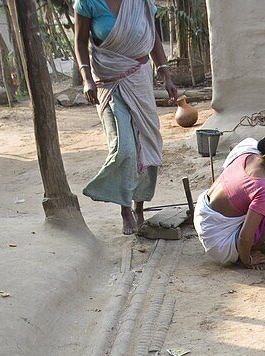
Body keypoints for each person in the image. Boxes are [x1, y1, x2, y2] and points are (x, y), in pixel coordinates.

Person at [74, 0, 177, 235]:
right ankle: (124, 208)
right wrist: (86, 78)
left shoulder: (141, 3)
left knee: (146, 145)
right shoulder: (88, 3)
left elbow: (153, 40)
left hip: (139, 80)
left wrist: (166, 74)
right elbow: (80, 42)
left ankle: (139, 206)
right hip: (109, 81)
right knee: (125, 148)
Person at [193, 126, 265, 269]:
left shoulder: (248, 150)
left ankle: (256, 243)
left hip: (202, 216)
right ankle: (248, 249)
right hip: (219, 242)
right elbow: (244, 236)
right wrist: (247, 260)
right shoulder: (264, 186)